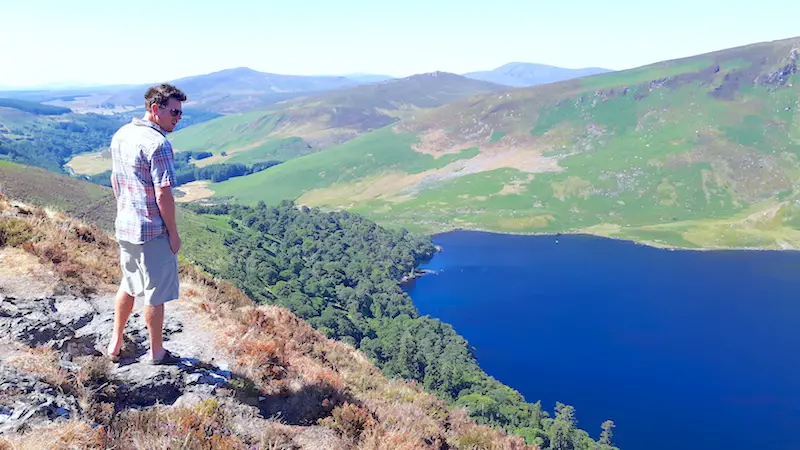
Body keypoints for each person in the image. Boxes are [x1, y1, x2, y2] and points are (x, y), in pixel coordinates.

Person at [106, 83, 187, 365]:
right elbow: (163, 193)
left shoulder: (122, 135)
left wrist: (125, 209)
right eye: (174, 112)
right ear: (156, 109)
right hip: (152, 231)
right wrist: (173, 233)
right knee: (154, 294)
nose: (178, 118)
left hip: (125, 226)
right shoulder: (159, 144)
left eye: (180, 113)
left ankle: (116, 341)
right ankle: (156, 352)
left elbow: (116, 180)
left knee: (129, 283)